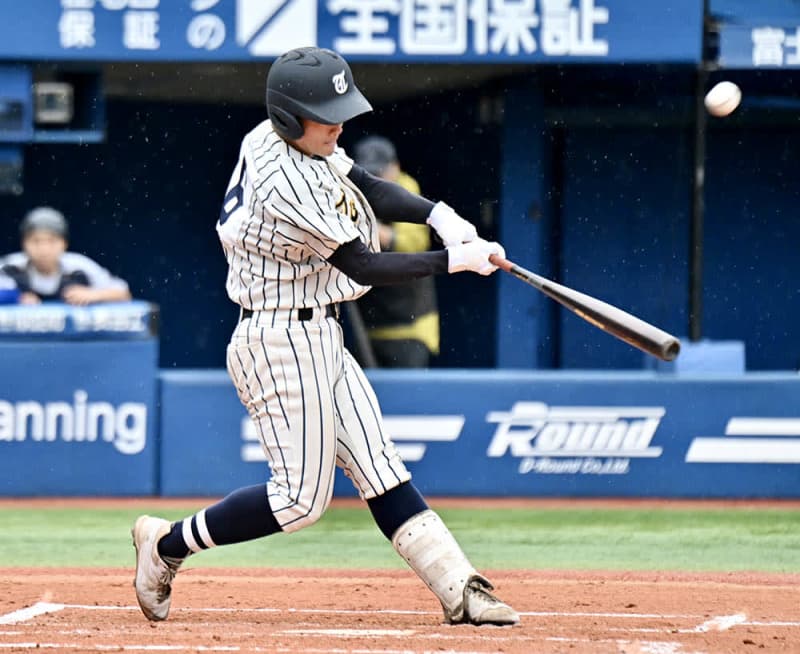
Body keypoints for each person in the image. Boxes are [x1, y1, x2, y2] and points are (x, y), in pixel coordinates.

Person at [131, 46, 518, 627]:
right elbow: (364, 265)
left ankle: (459, 587)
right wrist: (455, 260)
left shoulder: (283, 137)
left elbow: (360, 181)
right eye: (324, 112)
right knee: (297, 502)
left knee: (380, 466)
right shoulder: (283, 182)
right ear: (289, 118)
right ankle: (165, 546)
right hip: (277, 339)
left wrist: (438, 213)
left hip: (319, 332)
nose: (339, 122)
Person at [352, 135, 439, 367]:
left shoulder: (405, 188)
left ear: (396, 167)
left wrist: (373, 230)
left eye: (380, 171)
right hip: (370, 323)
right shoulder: (357, 192)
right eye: (370, 173)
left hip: (410, 325)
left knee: (408, 400)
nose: (376, 178)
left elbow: (414, 243)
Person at [0, 206, 131, 305]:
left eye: (51, 241)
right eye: (36, 241)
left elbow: (124, 294)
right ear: (24, 244)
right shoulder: (9, 267)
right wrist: (14, 298)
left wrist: (94, 294)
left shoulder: (79, 266)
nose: (44, 249)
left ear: (64, 244)